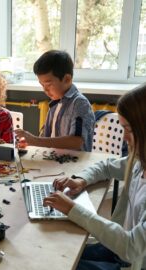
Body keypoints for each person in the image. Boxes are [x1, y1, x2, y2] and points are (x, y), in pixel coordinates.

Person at [43, 84, 146, 270]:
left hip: (130, 260)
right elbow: (106, 166)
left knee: (56, 263)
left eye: (128, 130)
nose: (124, 138)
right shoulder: (139, 161)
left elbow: (132, 247)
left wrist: (73, 209)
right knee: (55, 251)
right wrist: (81, 180)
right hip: (117, 248)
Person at [15, 50, 95, 151]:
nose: (45, 89)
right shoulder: (55, 104)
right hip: (54, 160)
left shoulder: (80, 104)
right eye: (42, 85)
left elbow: (77, 142)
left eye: (48, 84)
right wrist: (28, 142)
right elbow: (46, 139)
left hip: (74, 164)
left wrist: (35, 140)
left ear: (67, 79)